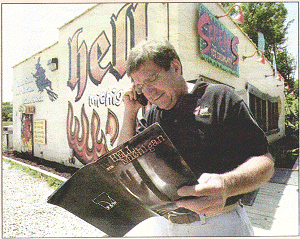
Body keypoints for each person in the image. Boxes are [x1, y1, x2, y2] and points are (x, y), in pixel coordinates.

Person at [118, 39, 274, 236]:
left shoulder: (220, 97)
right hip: (164, 225)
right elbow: (124, 159)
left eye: (151, 80)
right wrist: (130, 112)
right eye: (140, 86)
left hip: (218, 223)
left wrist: (227, 185)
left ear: (175, 67)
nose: (148, 93)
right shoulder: (152, 115)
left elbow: (265, 162)